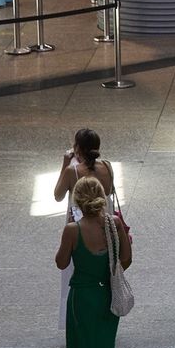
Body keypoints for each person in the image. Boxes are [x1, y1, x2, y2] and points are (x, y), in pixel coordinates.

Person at [56, 176, 132, 348]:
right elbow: (125, 260)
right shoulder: (114, 225)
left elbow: (61, 263)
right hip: (106, 298)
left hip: (81, 298)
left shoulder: (72, 230)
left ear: (77, 200)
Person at [54, 129, 118, 328]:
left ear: (77, 149)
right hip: (104, 223)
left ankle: (76, 316)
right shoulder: (107, 167)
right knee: (104, 269)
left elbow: (57, 195)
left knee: (76, 269)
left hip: (79, 224)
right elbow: (108, 192)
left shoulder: (72, 171)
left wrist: (66, 162)